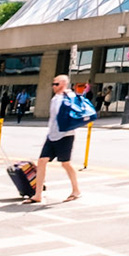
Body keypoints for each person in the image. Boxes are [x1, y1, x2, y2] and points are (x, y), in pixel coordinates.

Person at [31, 74, 90, 204]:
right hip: (52, 135)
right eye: (53, 84)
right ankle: (38, 194)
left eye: (56, 84)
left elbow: (77, 113)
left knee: (66, 163)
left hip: (65, 135)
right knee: (41, 161)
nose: (53, 86)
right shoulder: (55, 98)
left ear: (63, 84)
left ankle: (76, 190)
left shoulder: (70, 96)